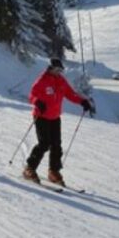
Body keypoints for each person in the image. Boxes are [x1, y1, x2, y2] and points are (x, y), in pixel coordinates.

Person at [23, 58, 93, 186]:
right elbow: (32, 95)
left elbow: (70, 94)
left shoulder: (61, 81)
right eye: (56, 69)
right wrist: (37, 102)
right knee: (44, 144)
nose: (58, 72)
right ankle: (29, 168)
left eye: (60, 70)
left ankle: (53, 171)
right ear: (50, 68)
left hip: (55, 117)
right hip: (41, 116)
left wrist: (82, 101)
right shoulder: (42, 80)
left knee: (56, 145)